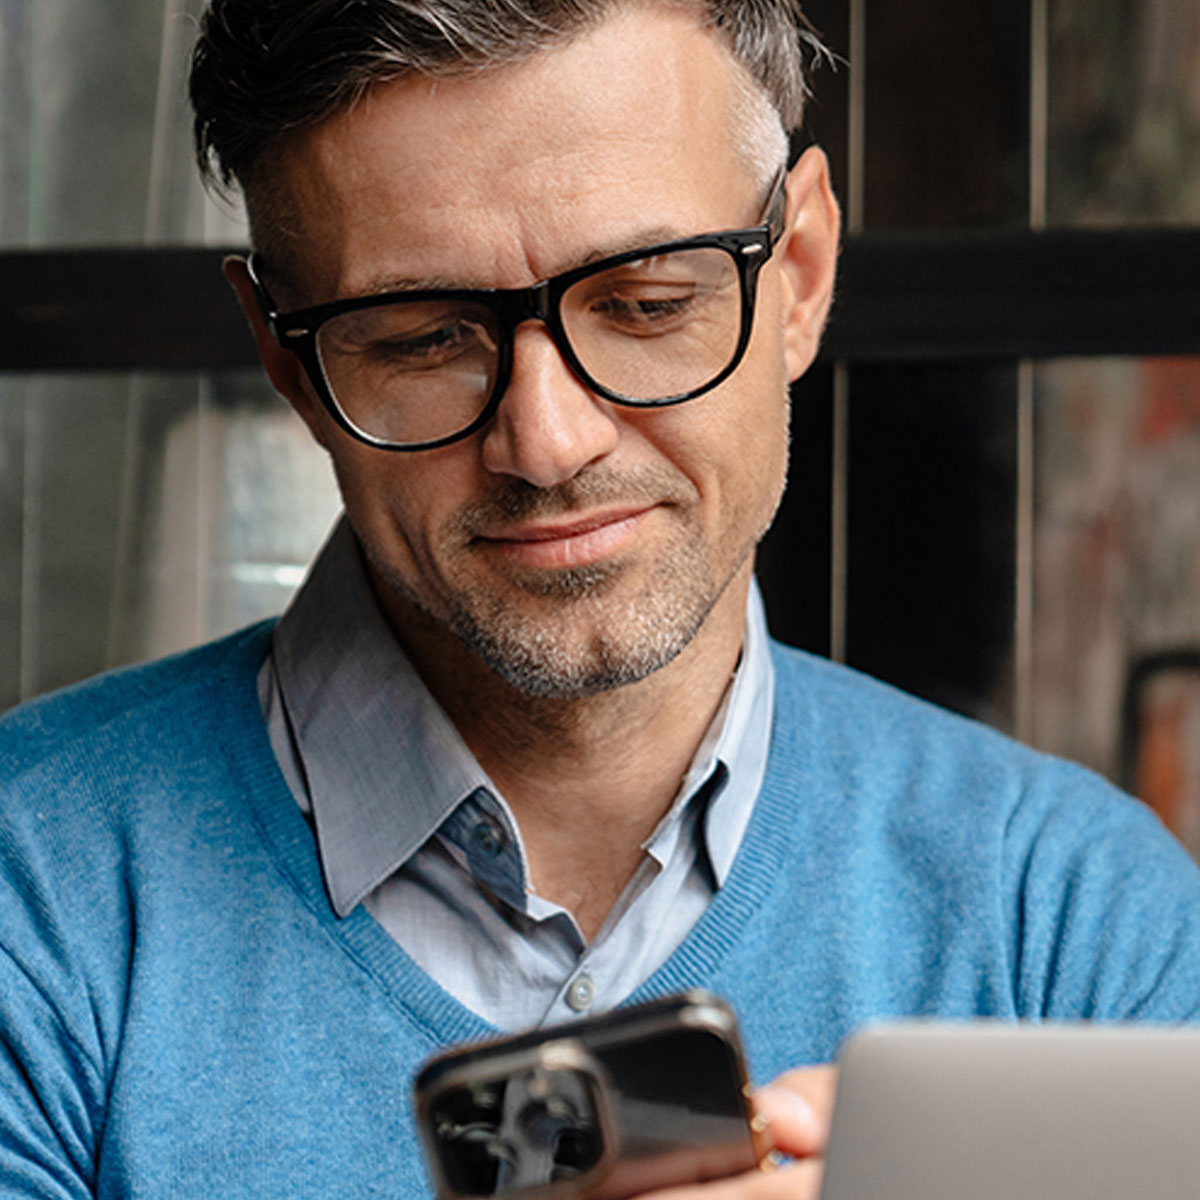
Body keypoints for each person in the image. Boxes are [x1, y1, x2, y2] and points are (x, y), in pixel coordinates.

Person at [2, 1, 1200, 1196]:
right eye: (424, 338)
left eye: (645, 306)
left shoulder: (1079, 922)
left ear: (802, 273)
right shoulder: (32, 893)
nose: (549, 441)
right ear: (285, 360)